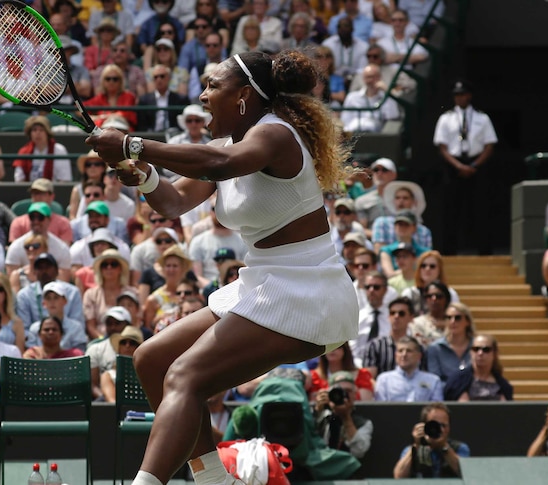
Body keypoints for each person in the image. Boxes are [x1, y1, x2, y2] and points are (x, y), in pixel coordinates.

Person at [86, 50, 359, 485]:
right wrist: (139, 173)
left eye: (214, 85)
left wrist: (132, 144)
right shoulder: (225, 146)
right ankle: (215, 479)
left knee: (184, 375)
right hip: (263, 281)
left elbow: (220, 165)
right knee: (152, 360)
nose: (203, 94)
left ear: (244, 97)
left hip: (309, 293)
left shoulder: (276, 136)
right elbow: (173, 203)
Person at [433, 80, 498, 255]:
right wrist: (458, 166)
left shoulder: (482, 118)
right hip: (453, 165)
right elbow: (442, 147)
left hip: (477, 164)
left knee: (480, 209)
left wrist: (474, 165)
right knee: (451, 210)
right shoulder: (446, 118)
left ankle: (484, 251)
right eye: (456, 95)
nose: (459, 98)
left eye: (462, 94)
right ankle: (449, 252)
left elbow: (489, 145)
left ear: (469, 95)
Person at [393, 402, 470, 478]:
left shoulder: (459, 448)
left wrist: (444, 447)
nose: (440, 429)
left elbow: (467, 473)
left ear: (449, 427)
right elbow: (399, 476)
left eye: (443, 425)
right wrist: (416, 445)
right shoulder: (411, 450)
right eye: (435, 425)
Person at [313, 370, 373, 459]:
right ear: (329, 394)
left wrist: (346, 417)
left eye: (347, 391)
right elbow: (306, 441)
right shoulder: (322, 415)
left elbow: (359, 451)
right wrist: (317, 412)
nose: (343, 395)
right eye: (338, 391)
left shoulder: (363, 423)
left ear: (355, 394)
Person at [443, 334, 512, 401]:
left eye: (486, 349)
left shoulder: (503, 386)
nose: (480, 353)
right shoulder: (457, 380)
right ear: (471, 352)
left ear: (494, 353)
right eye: (476, 349)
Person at [374, 336, 443, 402]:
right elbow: (380, 410)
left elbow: (436, 409)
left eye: (409, 351)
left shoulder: (433, 381)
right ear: (395, 356)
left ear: (419, 356)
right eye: (400, 351)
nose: (404, 354)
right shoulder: (384, 380)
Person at [85, 306, 133, 400]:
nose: (113, 327)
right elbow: (92, 384)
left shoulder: (138, 348)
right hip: (103, 399)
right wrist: (108, 401)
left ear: (128, 325)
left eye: (117, 323)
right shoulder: (95, 349)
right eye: (109, 323)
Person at [364, 296, 416, 378]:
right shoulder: (375, 345)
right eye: (392, 313)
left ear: (411, 317)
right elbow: (369, 378)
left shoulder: (418, 347)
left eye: (401, 313)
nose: (396, 316)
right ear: (388, 316)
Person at [340, 64, 401, 133]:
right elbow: (345, 120)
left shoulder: (386, 98)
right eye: (368, 77)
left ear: (380, 78)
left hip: (376, 137)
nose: (371, 80)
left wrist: (387, 91)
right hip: (355, 135)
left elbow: (393, 117)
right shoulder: (352, 97)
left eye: (374, 77)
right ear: (363, 79)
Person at [13, 115, 73, 183]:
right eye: (34, 130)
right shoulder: (24, 151)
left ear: (47, 132)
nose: (38, 133)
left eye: (41, 130)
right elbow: (19, 180)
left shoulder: (59, 150)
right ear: (30, 133)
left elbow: (64, 180)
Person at [425, 302, 475, 383]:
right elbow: (435, 380)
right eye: (448, 318)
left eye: (457, 318)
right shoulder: (435, 348)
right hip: (445, 393)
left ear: (467, 321)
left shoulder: (478, 347)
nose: (452, 321)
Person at [309, 342, 374, 401]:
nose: (332, 349)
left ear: (345, 350)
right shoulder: (313, 376)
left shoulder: (361, 375)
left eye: (337, 346)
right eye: (328, 346)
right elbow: (313, 404)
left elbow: (366, 403)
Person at [401, 250, 460, 316]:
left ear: (439, 270)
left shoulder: (451, 293)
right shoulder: (409, 293)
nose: (427, 269)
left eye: (432, 266)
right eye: (423, 266)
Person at [85, 63, 139, 131]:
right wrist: (94, 118)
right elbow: (79, 108)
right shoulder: (100, 98)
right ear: (103, 81)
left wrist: (103, 117)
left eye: (115, 79)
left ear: (120, 81)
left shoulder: (129, 96)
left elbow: (125, 114)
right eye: (108, 79)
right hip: (103, 133)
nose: (111, 82)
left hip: (124, 133)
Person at [138, 62, 189, 132]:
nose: (159, 79)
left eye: (162, 76)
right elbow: (142, 125)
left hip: (174, 136)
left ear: (169, 78)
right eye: (156, 77)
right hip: (152, 137)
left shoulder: (180, 99)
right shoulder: (144, 100)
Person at [99, 325, 144, 402]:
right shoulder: (108, 376)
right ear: (119, 348)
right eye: (123, 342)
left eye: (132, 343)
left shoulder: (148, 374)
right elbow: (112, 402)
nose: (127, 346)